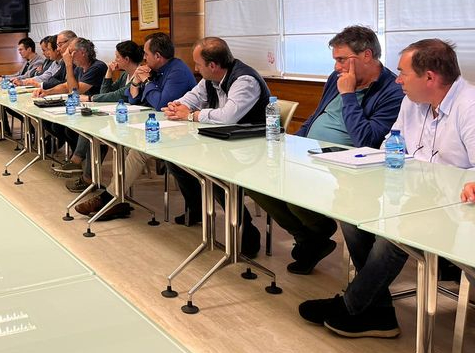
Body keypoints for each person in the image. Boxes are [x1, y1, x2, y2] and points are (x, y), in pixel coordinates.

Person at [300, 38, 475, 338]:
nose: (397, 80)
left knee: (391, 236)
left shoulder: (469, 106)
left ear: (430, 78)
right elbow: (390, 146)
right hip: (413, 195)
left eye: (403, 73)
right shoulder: (413, 102)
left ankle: (353, 306)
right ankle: (377, 310)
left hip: (453, 211)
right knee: (352, 215)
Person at [250, 26, 403, 274]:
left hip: (345, 166)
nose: (336, 68)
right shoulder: (336, 79)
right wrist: (290, 144)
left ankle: (318, 233)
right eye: (335, 60)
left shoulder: (391, 91)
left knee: (295, 189)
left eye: (342, 60)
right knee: (255, 181)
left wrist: (348, 94)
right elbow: (316, 116)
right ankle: (311, 238)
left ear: (366, 55)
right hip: (310, 153)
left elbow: (368, 140)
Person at [162, 37, 270, 256]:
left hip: (253, 145)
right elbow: (192, 98)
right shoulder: (210, 78)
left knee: (216, 171)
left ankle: (246, 229)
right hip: (223, 141)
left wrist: (191, 115)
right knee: (173, 158)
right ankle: (197, 208)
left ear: (212, 65)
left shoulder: (244, 80)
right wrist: (178, 106)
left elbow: (229, 117)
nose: (195, 68)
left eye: (198, 65)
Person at [75, 33, 196, 221]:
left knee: (137, 151)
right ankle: (118, 200)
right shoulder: (153, 69)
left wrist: (146, 82)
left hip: (179, 131)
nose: (144, 57)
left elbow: (160, 103)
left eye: (146, 54)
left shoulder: (177, 71)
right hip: (157, 124)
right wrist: (138, 82)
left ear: (158, 56)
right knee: (121, 146)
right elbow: (133, 99)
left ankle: (109, 198)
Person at [56, 40, 143, 184]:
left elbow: (119, 94)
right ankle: (83, 171)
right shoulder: (124, 75)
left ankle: (81, 169)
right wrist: (109, 73)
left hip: (132, 122)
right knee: (91, 127)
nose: (114, 60)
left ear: (127, 59)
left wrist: (91, 97)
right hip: (119, 117)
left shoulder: (140, 75)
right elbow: (106, 92)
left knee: (94, 129)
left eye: (117, 57)